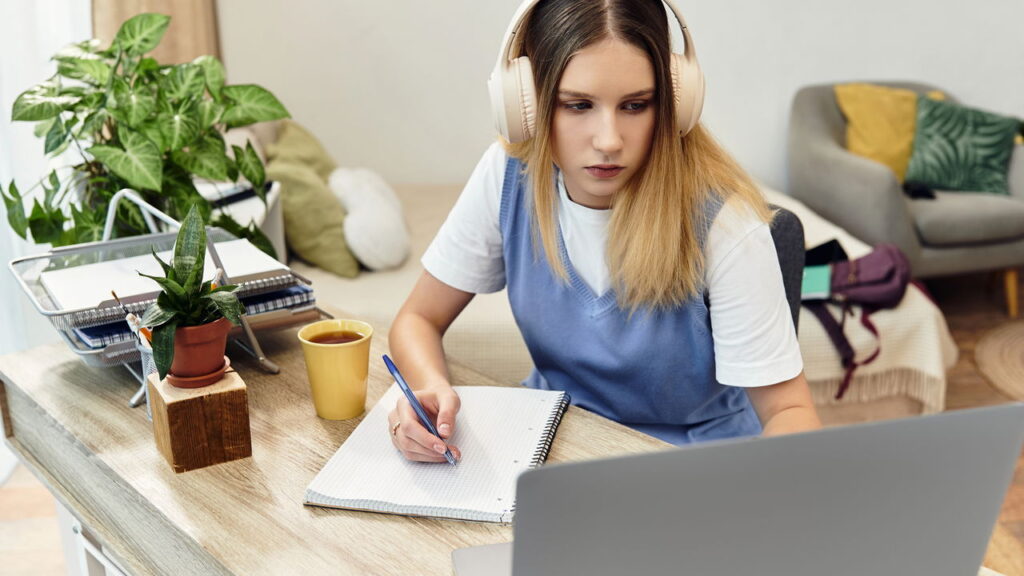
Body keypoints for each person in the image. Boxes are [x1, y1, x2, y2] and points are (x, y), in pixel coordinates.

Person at [387, 0, 821, 463]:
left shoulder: (724, 224)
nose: (609, 140)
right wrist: (429, 386)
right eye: (578, 105)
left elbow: (789, 411)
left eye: (636, 105)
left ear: (675, 103)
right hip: (553, 445)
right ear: (527, 105)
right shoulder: (508, 175)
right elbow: (418, 319)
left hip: (692, 462)